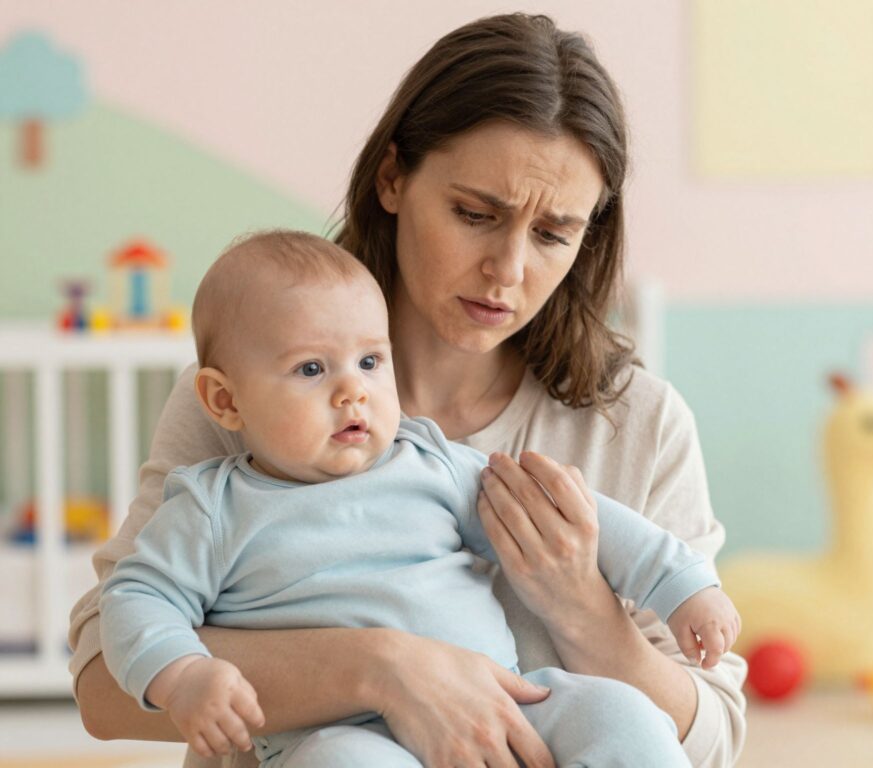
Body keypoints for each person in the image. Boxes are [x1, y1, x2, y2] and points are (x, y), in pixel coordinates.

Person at [70, 13, 747, 768]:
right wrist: (384, 669)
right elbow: (102, 683)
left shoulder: (636, 424)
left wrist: (584, 607)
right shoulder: (258, 396)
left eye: (553, 233)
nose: (508, 269)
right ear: (393, 178)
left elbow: (711, 737)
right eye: (474, 214)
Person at [99, 231, 740, 767]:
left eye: (371, 362)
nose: (352, 392)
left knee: (619, 714)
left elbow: (574, 512)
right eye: (312, 370)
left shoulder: (428, 462)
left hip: (513, 702)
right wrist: (183, 674)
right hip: (343, 734)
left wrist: (680, 583)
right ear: (225, 401)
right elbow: (136, 600)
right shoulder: (212, 508)